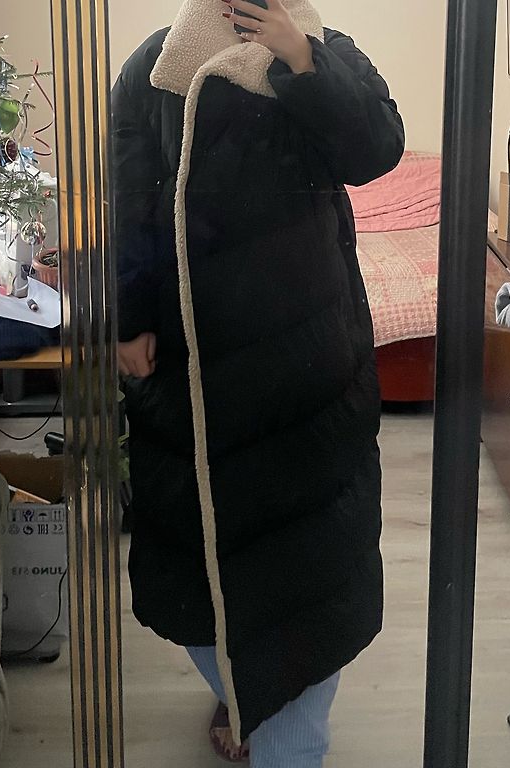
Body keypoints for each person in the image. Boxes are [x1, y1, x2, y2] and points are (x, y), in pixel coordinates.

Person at [112, 0, 404, 764]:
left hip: (306, 360)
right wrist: (128, 317)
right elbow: (130, 200)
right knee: (197, 555)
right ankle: (244, 684)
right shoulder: (153, 66)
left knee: (310, 558)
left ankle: (284, 727)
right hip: (192, 361)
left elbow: (376, 150)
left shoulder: (327, 48)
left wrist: (303, 62)